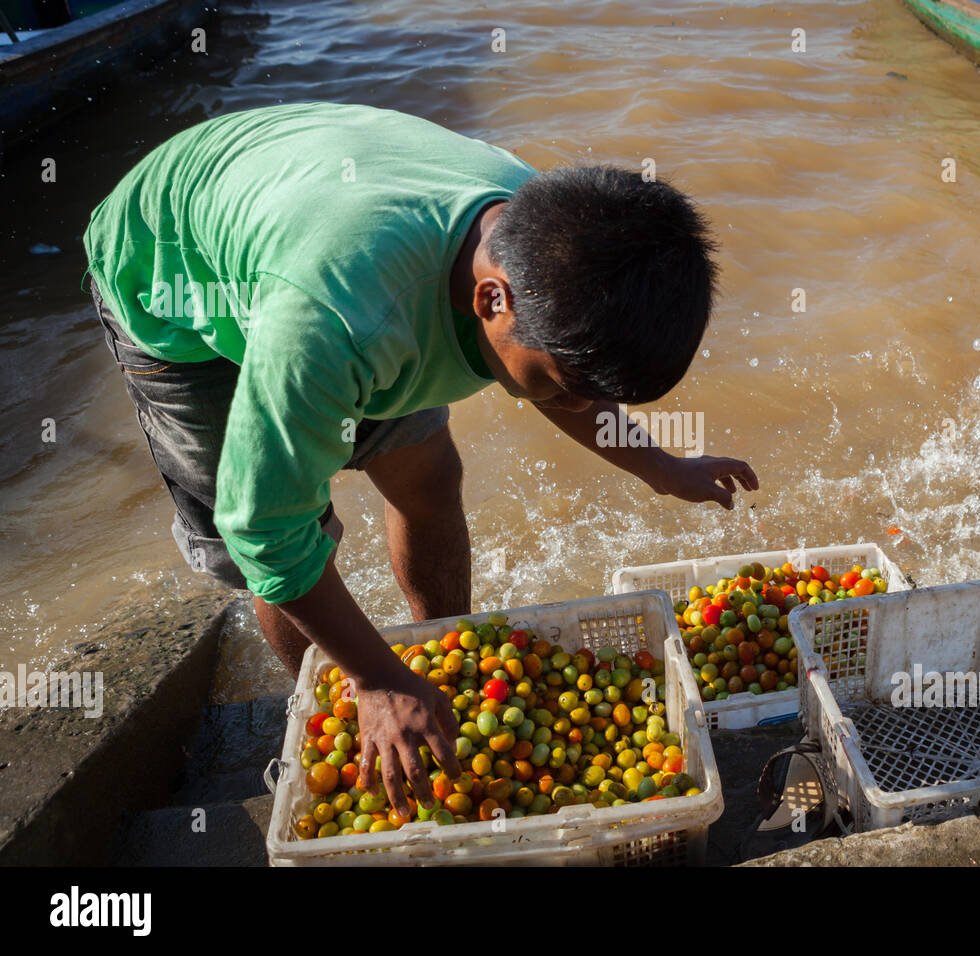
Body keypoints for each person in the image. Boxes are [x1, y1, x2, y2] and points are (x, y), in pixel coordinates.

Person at [83, 101, 757, 819]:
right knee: (297, 524)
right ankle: (339, 702)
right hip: (171, 284)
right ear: (489, 300)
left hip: (323, 239)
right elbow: (265, 536)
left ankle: (439, 663)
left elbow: (566, 385)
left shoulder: (546, 247)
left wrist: (658, 465)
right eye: (567, 383)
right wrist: (375, 677)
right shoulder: (332, 323)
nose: (579, 404)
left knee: (429, 477)